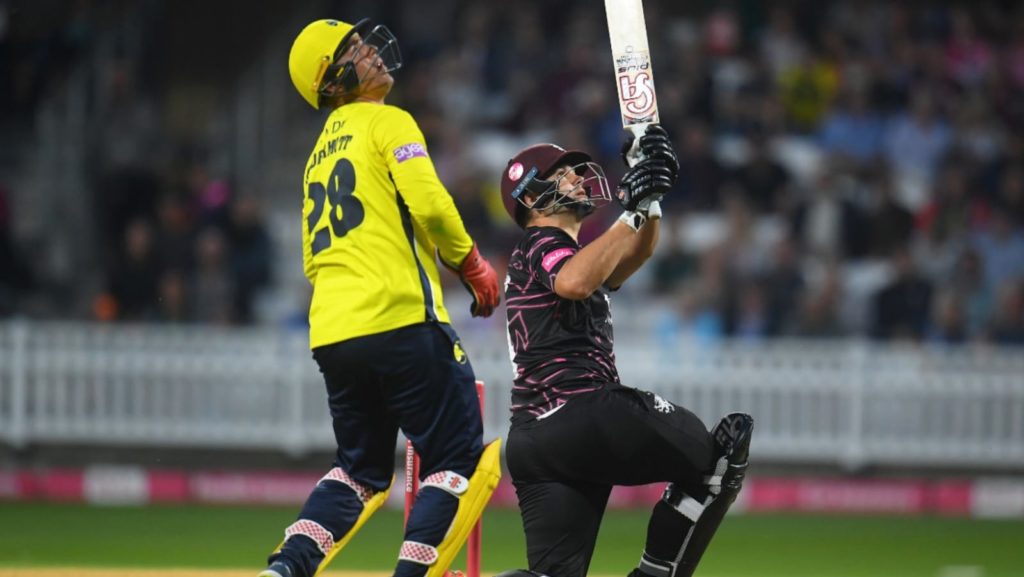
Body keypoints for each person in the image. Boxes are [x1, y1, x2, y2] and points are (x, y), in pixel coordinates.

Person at [260, 18, 503, 577]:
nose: (371, 51)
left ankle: (285, 568)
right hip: (400, 320)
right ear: (335, 78)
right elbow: (432, 203)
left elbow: (312, 260)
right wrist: (471, 263)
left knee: (357, 473)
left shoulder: (317, 154)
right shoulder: (389, 121)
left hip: (334, 332)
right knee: (459, 458)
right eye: (354, 49)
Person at [495, 126, 753, 577]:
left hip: (535, 438)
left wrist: (649, 200)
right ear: (532, 199)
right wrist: (631, 210)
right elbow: (575, 282)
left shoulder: (563, 253)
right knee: (718, 458)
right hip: (580, 412)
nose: (577, 178)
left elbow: (635, 255)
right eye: (562, 175)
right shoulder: (542, 243)